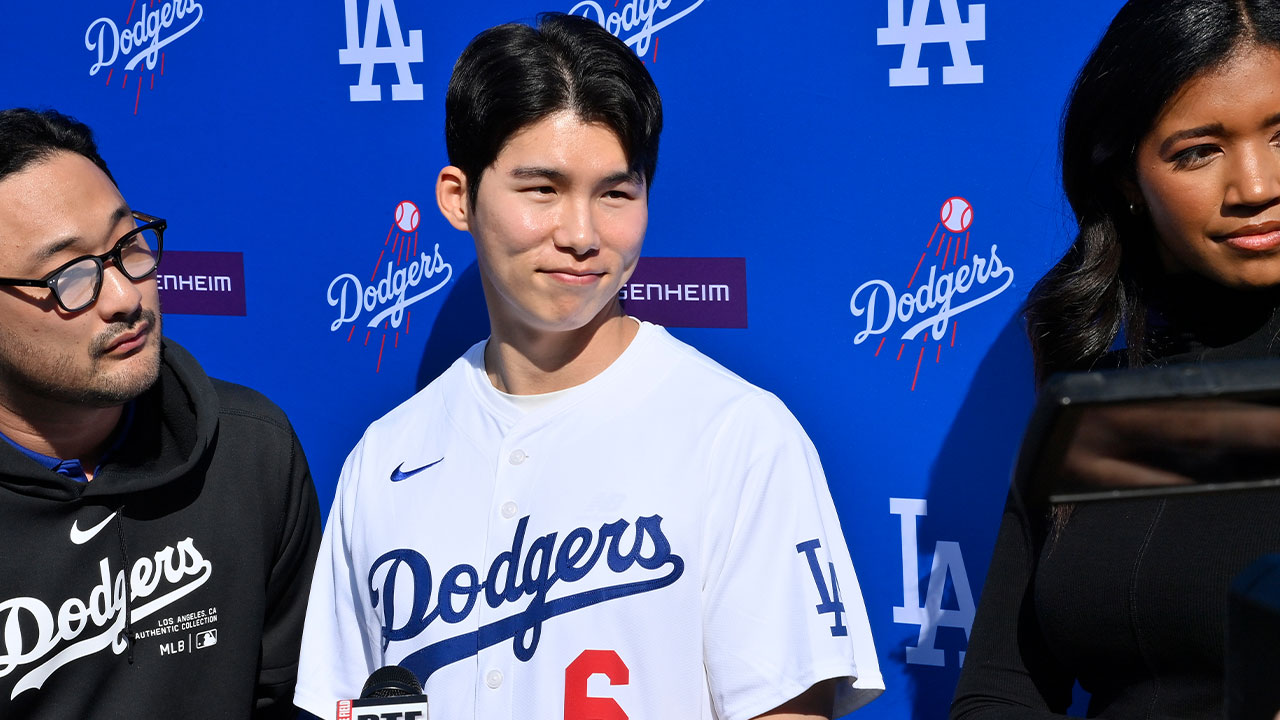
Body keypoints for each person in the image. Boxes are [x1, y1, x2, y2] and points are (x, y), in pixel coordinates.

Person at [295, 13, 882, 720]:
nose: (580, 234)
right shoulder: (386, 457)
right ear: (460, 198)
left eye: (615, 193)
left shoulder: (738, 437)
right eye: (541, 189)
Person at [952, 0, 1280, 717]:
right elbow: (1000, 687)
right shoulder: (1094, 395)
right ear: (1127, 179)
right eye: (1199, 150)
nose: (1257, 187)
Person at [0, 108, 321, 718]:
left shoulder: (249, 449)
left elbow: (289, 698)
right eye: (68, 276)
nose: (125, 296)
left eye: (128, 245)